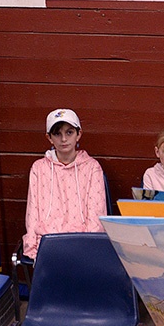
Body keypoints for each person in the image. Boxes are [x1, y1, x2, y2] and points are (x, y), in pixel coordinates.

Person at [23, 109, 107, 259]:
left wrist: (88, 247)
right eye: (57, 134)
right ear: (49, 137)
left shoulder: (92, 167)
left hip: (83, 242)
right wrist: (33, 247)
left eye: (69, 132)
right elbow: (32, 212)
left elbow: (97, 214)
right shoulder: (39, 168)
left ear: (78, 134)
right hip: (48, 242)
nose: (63, 139)